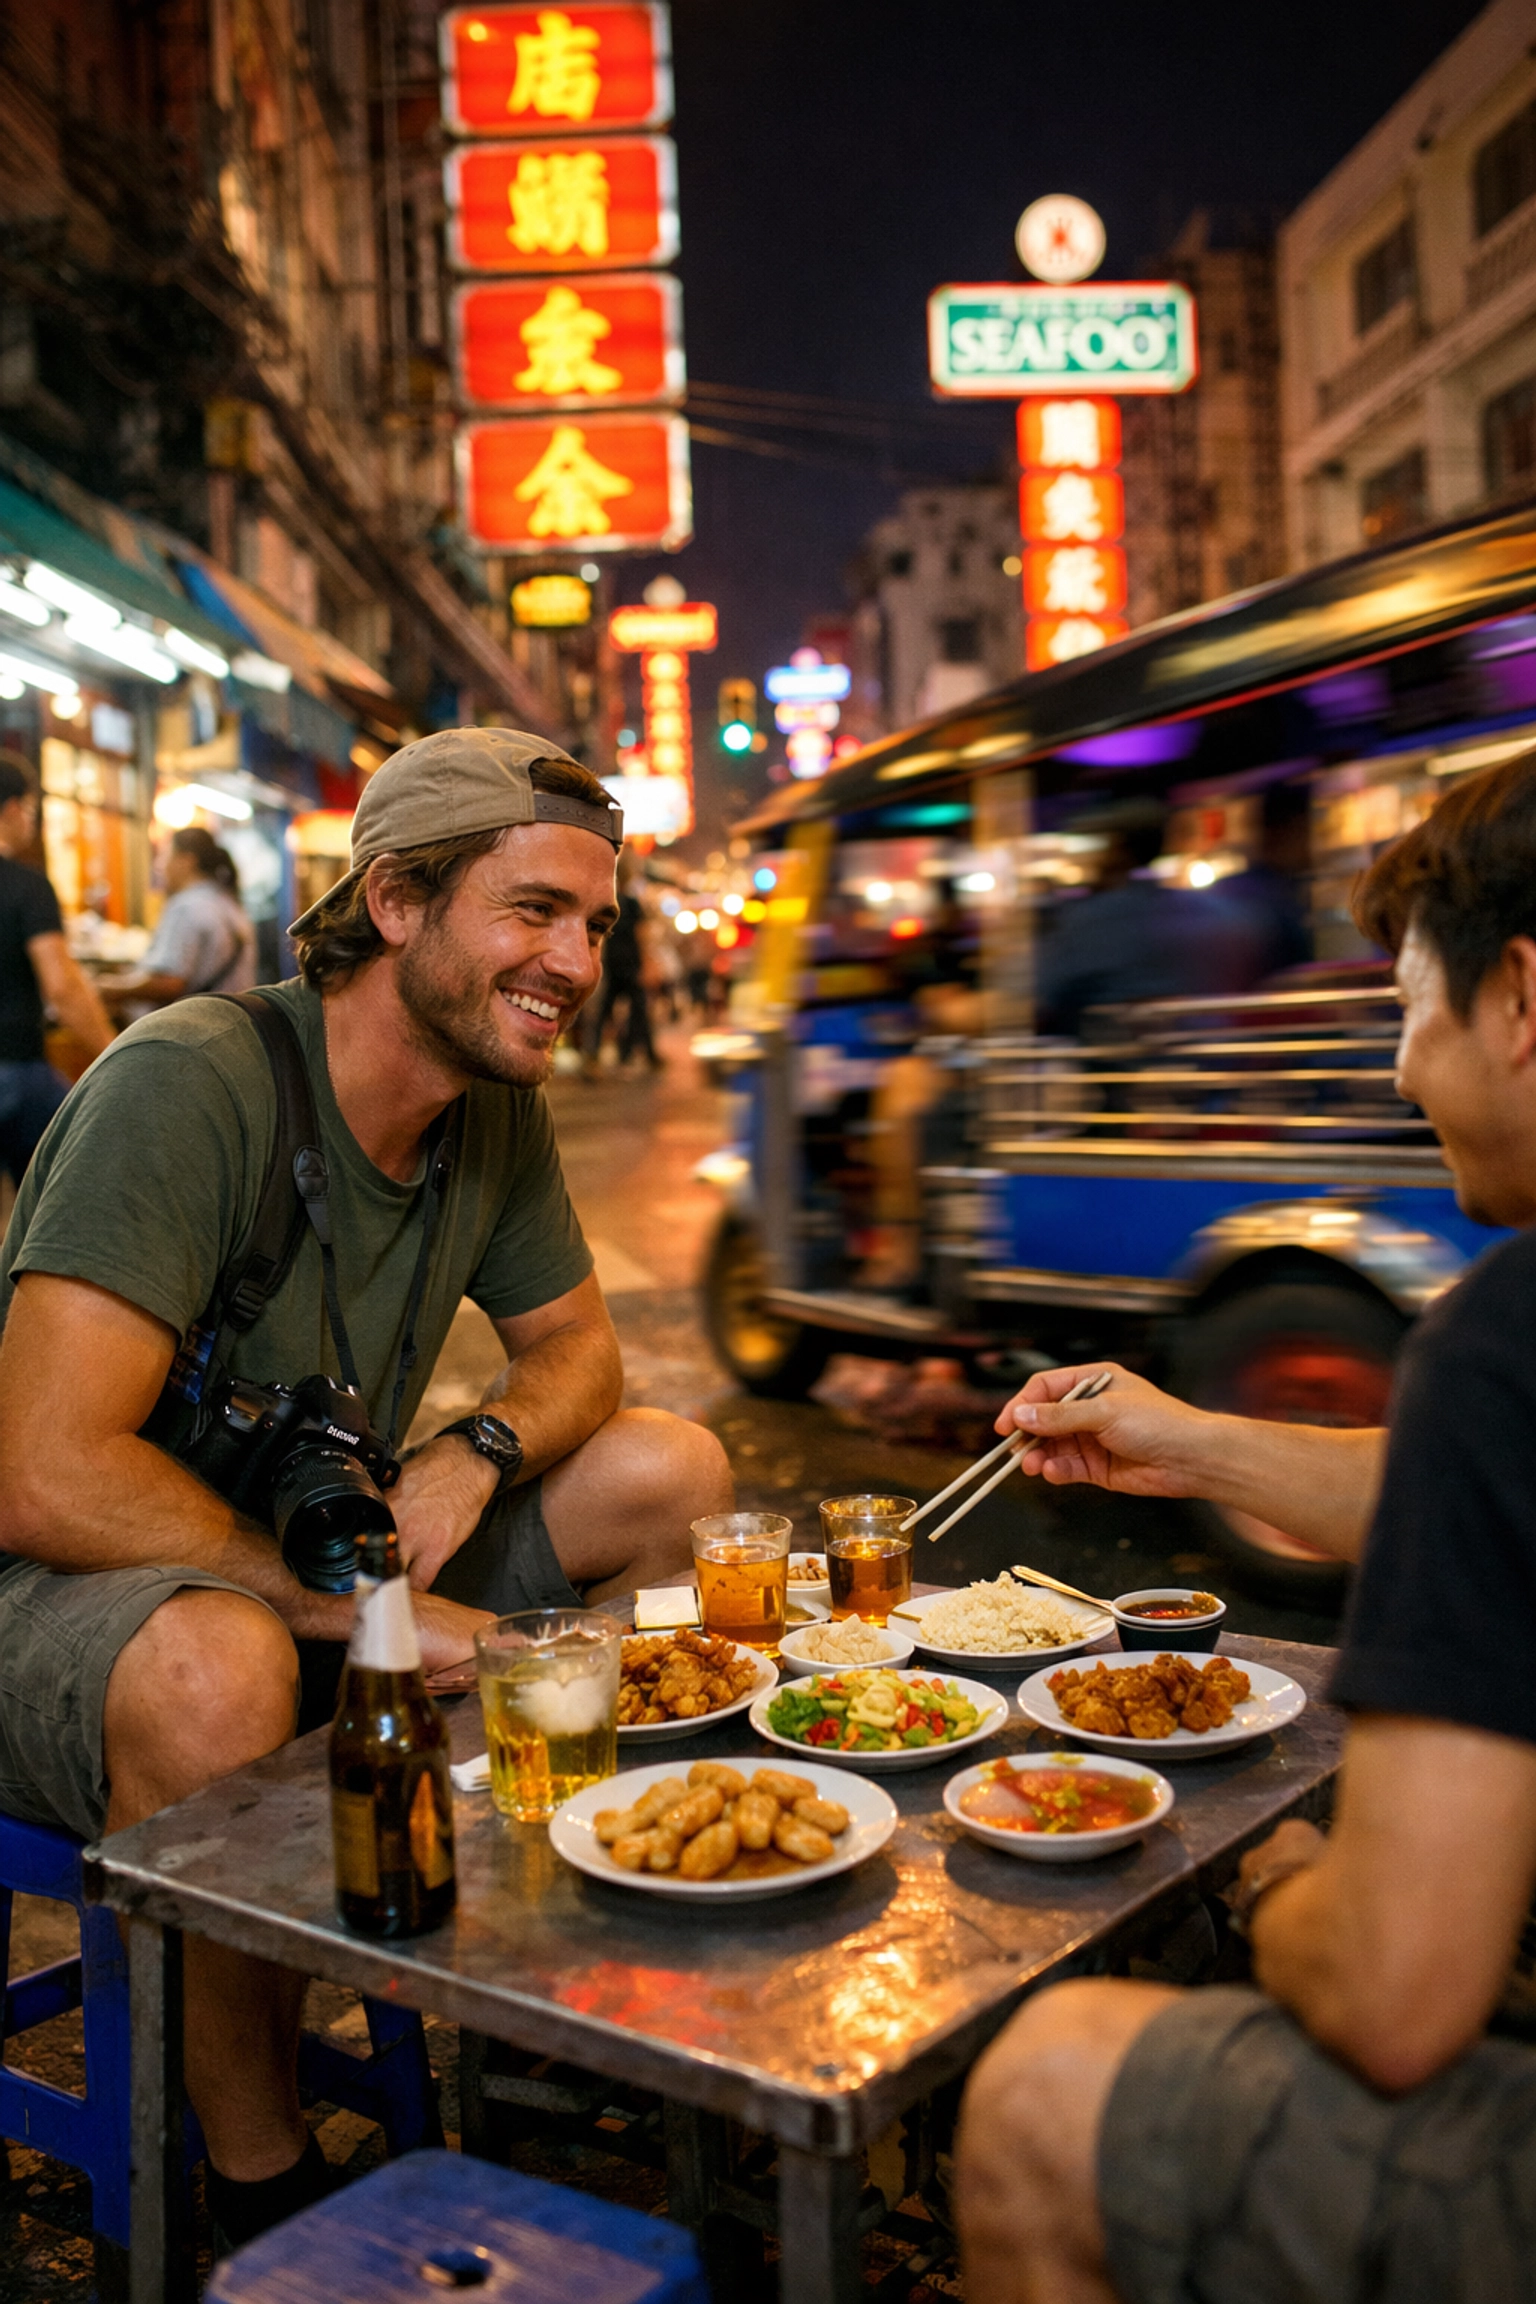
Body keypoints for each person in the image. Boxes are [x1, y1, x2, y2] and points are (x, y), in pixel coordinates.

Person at [0, 728, 731, 2249]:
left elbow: (581, 1355)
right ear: (395, 901)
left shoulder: (491, 1103)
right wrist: (364, 1609)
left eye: (594, 924)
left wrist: (469, 1457)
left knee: (676, 1471)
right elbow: (42, 1472)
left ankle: (549, 2026)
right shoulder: (189, 1085)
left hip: (336, 1554)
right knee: (225, 1665)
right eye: (532, 911)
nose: (576, 960)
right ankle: (259, 2187)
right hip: (69, 1600)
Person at [954, 750, 1536, 2304]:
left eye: (1414, 1009)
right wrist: (1194, 1446)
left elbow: (1399, 1996)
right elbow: (1481, 1509)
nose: (1405, 1070)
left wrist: (1282, 1888)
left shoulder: (1505, 1335)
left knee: (1038, 2090)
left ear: (1523, 1000)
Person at [1037, 798, 1250, 1037]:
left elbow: (1047, 998)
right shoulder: (1219, 911)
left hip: (1117, 1067)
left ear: (1116, 849)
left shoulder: (1089, 921)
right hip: (1212, 1059)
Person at [0, 749, 113, 1180]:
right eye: (30, 809)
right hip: (15, 1069)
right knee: (80, 1163)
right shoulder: (27, 887)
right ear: (13, 809)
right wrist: (113, 1052)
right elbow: (61, 987)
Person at [104, 823, 256, 1015]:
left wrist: (109, 989)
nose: (159, 865)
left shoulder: (186, 906)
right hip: (228, 1025)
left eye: (164, 856)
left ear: (186, 860)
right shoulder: (229, 903)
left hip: (191, 1033)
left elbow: (169, 982)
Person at [581, 860, 659, 1073]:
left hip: (611, 964)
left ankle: (592, 1056)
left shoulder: (609, 902)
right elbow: (641, 935)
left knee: (604, 1011)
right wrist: (647, 963)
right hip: (631, 964)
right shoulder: (633, 903)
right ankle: (643, 1055)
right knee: (639, 1010)